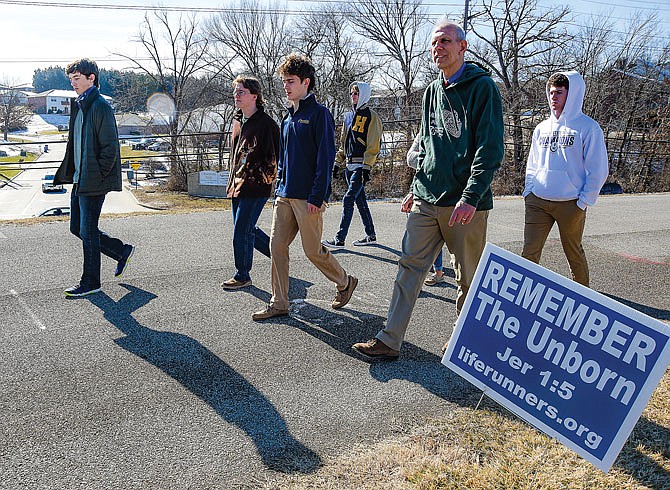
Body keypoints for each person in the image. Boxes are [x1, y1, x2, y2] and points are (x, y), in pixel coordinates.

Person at [352, 19, 504, 359]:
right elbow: (427, 146)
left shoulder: (483, 88)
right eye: (435, 43)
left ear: (462, 47)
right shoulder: (431, 91)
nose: (439, 47)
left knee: (467, 278)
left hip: (465, 204)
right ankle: (389, 339)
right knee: (409, 266)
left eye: (446, 41)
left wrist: (471, 196)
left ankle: (463, 340)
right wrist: (415, 187)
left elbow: (490, 148)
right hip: (427, 197)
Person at [252, 53, 358, 321]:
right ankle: (279, 302)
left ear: (306, 82)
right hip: (285, 195)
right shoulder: (287, 119)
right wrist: (279, 186)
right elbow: (285, 157)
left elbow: (325, 157)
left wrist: (318, 195)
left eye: (290, 81)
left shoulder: (319, 114)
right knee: (277, 246)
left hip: (308, 197)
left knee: (312, 251)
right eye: (284, 81)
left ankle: (345, 282)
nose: (285, 86)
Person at [54, 58, 134, 298]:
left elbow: (110, 148)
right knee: (77, 228)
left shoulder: (100, 106)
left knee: (88, 231)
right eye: (71, 79)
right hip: (80, 178)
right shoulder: (80, 105)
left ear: (92, 78)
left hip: (93, 180)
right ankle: (120, 251)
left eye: (77, 78)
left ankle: (91, 282)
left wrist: (97, 176)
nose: (73, 83)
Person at [522, 71, 608, 287]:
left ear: (573, 94)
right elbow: (532, 163)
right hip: (538, 201)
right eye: (551, 92)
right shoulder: (541, 127)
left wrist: (584, 202)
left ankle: (584, 296)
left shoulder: (588, 127)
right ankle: (522, 299)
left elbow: (598, 169)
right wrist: (528, 191)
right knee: (529, 253)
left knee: (573, 253)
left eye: (559, 92)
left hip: (570, 203)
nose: (554, 97)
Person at [222, 76, 279, 290]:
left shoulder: (266, 124)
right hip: (237, 184)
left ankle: (242, 275)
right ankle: (279, 256)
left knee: (241, 231)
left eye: (241, 92)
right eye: (235, 92)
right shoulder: (239, 119)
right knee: (246, 228)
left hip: (255, 186)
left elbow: (274, 159)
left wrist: (259, 179)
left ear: (254, 96)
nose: (236, 96)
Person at [322, 81, 382, 248]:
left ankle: (339, 239)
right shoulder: (348, 116)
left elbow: (374, 143)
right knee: (360, 201)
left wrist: (366, 167)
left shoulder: (372, 116)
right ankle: (371, 235)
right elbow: (343, 143)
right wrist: (337, 162)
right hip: (349, 166)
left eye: (356, 93)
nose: (353, 96)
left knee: (348, 199)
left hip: (360, 167)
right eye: (351, 93)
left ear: (363, 94)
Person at [406, 133, 446, 287]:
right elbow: (410, 158)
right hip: (423, 191)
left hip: (448, 195)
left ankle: (439, 273)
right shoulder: (425, 130)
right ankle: (418, 281)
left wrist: (429, 159)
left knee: (435, 240)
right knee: (418, 242)